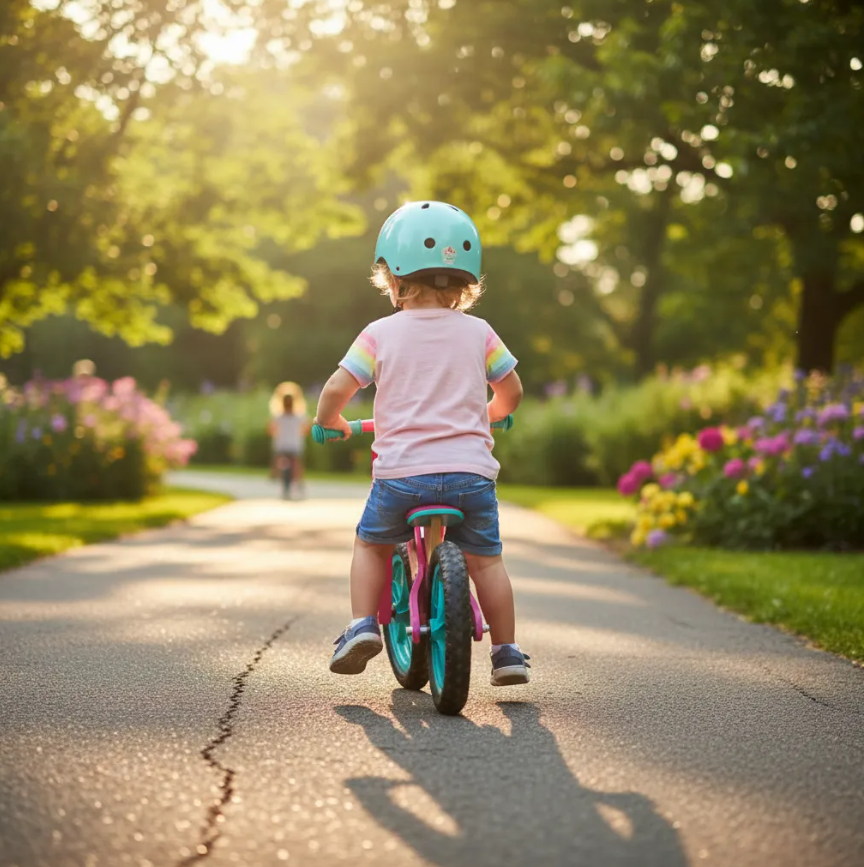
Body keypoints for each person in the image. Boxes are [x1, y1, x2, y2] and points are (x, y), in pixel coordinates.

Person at [314, 201, 528, 686]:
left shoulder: (379, 334)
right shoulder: (480, 333)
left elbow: (336, 390)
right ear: (464, 283)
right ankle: (508, 652)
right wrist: (490, 417)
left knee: (371, 545)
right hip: (470, 477)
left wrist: (332, 420)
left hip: (401, 478)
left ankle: (362, 626)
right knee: (487, 561)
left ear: (393, 278)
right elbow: (511, 393)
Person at [268, 386, 310, 500]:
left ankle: (277, 476)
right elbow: (306, 428)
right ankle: (298, 482)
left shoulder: (279, 417)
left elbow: (271, 429)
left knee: (283, 463)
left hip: (283, 444)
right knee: (295, 464)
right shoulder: (299, 416)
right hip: (294, 444)